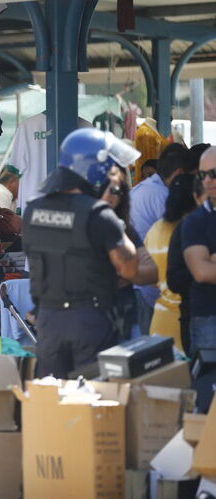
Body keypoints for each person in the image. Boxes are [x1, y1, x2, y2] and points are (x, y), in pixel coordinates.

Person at [22, 128, 140, 379]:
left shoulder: (32, 211)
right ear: (96, 169)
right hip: (90, 321)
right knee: (93, 401)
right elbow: (130, 269)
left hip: (48, 321)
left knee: (52, 399)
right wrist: (114, 219)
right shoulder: (99, 213)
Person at [130, 143, 194, 333]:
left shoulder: (144, 189)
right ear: (180, 173)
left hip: (144, 288)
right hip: (155, 294)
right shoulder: (163, 198)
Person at [100, 164, 158, 341]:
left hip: (126, 320)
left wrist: (128, 272)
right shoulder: (76, 228)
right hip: (88, 326)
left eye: (118, 188)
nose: (111, 194)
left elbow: (152, 271)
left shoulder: (126, 230)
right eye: (104, 186)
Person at [145, 173, 197, 353]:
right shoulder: (195, 230)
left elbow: (151, 278)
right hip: (188, 321)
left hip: (160, 321)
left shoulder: (156, 229)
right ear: (196, 197)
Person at [181, 146, 216, 356]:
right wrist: (207, 263)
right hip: (209, 319)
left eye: (214, 174)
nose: (207, 181)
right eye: (202, 175)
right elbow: (201, 272)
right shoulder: (195, 221)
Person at [168, 176, 206, 352]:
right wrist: (200, 267)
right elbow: (174, 280)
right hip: (198, 318)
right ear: (196, 198)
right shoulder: (186, 228)